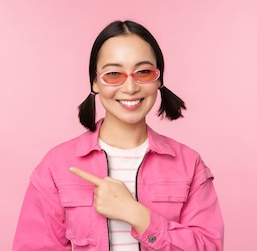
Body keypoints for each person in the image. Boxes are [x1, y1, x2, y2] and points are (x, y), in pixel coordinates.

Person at [12, 20, 224, 251]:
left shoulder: (189, 163)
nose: (130, 87)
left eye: (143, 72)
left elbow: (209, 247)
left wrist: (137, 215)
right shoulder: (57, 165)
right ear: (95, 81)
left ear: (159, 79)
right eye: (113, 74)